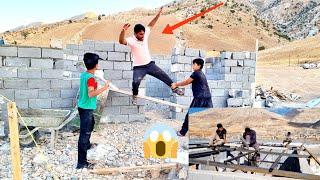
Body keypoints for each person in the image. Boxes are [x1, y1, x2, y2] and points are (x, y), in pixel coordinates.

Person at [119, 7, 184, 105]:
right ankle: (135, 95)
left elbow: (151, 24)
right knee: (135, 82)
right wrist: (123, 31)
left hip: (150, 65)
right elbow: (121, 41)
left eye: (143, 34)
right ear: (135, 34)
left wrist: (158, 15)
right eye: (140, 34)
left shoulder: (145, 34)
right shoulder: (131, 40)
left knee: (163, 75)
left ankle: (174, 88)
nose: (143, 36)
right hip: (139, 68)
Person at [76, 53, 109, 169]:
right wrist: (104, 88)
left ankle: (87, 145)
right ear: (95, 65)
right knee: (84, 134)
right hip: (87, 109)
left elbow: (88, 88)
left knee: (90, 126)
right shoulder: (90, 78)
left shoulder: (84, 75)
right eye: (97, 62)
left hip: (83, 106)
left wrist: (96, 83)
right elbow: (91, 94)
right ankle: (81, 163)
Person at [172, 58, 213, 136]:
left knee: (190, 115)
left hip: (199, 98)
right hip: (208, 98)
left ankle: (182, 132)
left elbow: (187, 82)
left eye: (194, 64)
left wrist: (176, 84)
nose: (193, 66)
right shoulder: (202, 73)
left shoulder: (196, 73)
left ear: (199, 65)